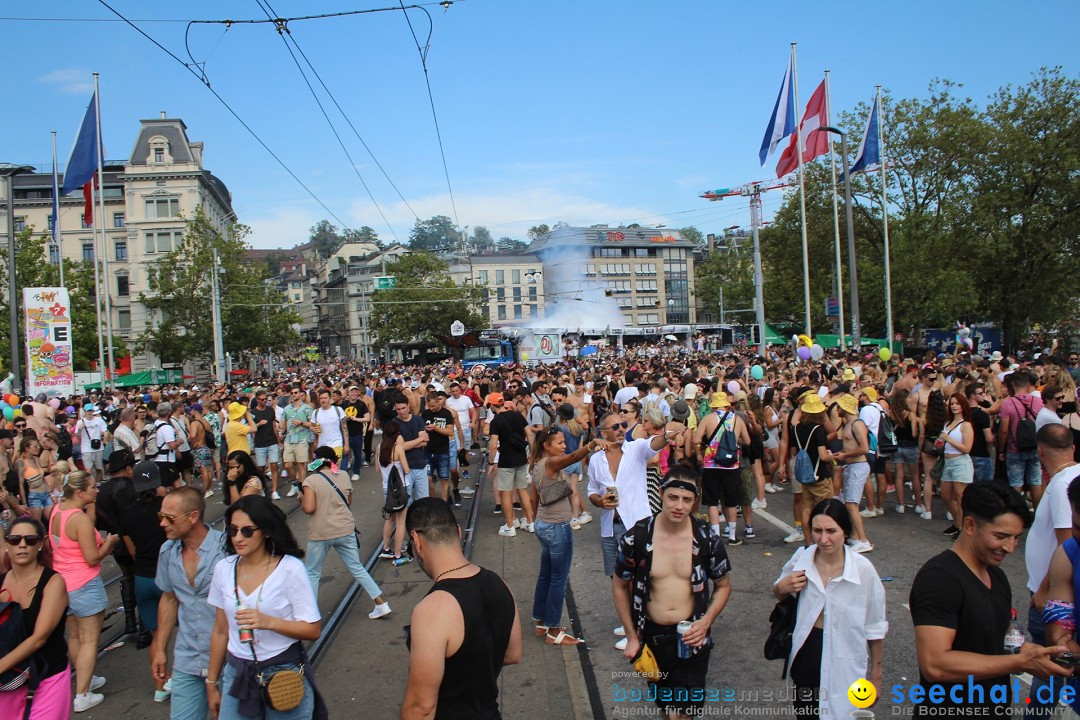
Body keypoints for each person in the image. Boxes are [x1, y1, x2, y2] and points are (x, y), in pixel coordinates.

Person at [910, 482, 1070, 716]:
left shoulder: (996, 575)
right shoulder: (939, 579)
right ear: (970, 525)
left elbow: (992, 644)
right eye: (1001, 536)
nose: (1010, 547)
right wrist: (1020, 662)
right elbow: (935, 664)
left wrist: (1033, 652)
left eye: (1016, 537)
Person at [614, 465, 732, 717]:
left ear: (694, 502)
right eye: (673, 497)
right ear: (661, 494)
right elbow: (619, 584)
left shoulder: (706, 539)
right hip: (653, 638)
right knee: (667, 708)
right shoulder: (638, 537)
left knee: (683, 712)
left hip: (692, 638)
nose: (679, 505)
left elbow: (723, 585)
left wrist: (707, 621)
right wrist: (631, 635)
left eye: (687, 500)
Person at [400, 498, 521, 720]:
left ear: (416, 541)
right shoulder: (499, 583)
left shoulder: (433, 609)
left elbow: (421, 708)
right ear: (457, 531)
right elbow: (513, 654)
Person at [206, 495, 325, 720]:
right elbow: (221, 630)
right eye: (232, 530)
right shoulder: (224, 569)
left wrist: (268, 621)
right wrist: (212, 683)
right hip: (237, 673)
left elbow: (313, 630)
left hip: (283, 674)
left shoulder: (290, 569)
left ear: (266, 531)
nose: (238, 538)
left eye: (247, 531)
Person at [773, 499, 887, 717]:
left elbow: (875, 627)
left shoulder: (863, 570)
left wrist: (876, 677)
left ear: (845, 531)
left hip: (847, 657)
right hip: (807, 653)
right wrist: (783, 587)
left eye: (831, 531)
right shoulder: (802, 558)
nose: (823, 539)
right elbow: (778, 592)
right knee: (807, 713)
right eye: (817, 531)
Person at [152, 486, 227, 720]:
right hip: (188, 658)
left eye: (169, 518)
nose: (163, 523)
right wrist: (160, 649)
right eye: (160, 517)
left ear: (193, 517)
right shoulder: (167, 551)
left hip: (228, 659)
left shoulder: (226, 548)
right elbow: (169, 597)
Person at [49, 470, 118, 712]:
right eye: (93, 488)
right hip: (84, 583)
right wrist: (108, 544)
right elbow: (92, 557)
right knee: (90, 639)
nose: (97, 490)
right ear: (80, 492)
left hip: (63, 584)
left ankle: (85, 678)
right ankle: (82, 695)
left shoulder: (57, 510)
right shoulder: (78, 520)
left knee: (76, 636)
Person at [527, 425, 604, 645]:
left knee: (547, 575)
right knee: (558, 579)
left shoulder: (536, 464)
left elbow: (534, 499)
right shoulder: (551, 463)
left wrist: (537, 521)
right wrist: (591, 444)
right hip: (557, 528)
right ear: (546, 446)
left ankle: (541, 622)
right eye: (559, 443)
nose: (564, 446)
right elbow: (572, 457)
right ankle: (553, 629)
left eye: (563, 442)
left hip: (544, 525)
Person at [1023, 423, 1080, 715]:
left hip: (1055, 595)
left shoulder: (1063, 485)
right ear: (1072, 447)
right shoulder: (1067, 477)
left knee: (1048, 668)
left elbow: (1067, 543)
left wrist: (1044, 590)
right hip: (1055, 590)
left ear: (1040, 451)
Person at [302, 446, 391, 617]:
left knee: (313, 573)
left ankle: (310, 614)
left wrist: (301, 498)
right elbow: (348, 501)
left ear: (317, 461)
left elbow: (309, 508)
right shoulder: (343, 475)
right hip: (345, 529)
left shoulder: (311, 481)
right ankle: (380, 603)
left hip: (320, 533)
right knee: (357, 568)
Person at [0, 517, 72, 720]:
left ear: (40, 544)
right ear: (7, 545)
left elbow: (39, 638)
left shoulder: (53, 582)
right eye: (15, 540)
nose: (22, 545)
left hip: (47, 675)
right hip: (8, 682)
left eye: (30, 540)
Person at [121, 461, 169, 702]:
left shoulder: (128, 512)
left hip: (142, 577)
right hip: (166, 578)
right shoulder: (165, 507)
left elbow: (131, 550)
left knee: (156, 635)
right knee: (177, 633)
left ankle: (159, 686)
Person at [694, 392, 753, 545]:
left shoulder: (708, 419)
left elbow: (696, 439)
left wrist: (700, 453)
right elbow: (747, 440)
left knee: (713, 501)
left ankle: (715, 536)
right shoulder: (737, 419)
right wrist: (734, 440)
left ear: (713, 405)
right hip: (731, 465)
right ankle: (732, 536)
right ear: (726, 404)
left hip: (711, 463)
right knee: (731, 501)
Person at [828, 394, 874, 553]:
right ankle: (855, 536)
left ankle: (863, 540)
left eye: (839, 407)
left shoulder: (857, 424)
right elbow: (850, 447)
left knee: (851, 504)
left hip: (858, 466)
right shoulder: (848, 424)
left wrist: (845, 456)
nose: (837, 410)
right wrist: (839, 454)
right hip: (851, 466)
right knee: (850, 503)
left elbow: (864, 448)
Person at [487, 398, 535, 537]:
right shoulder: (517, 415)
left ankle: (510, 526)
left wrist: (491, 462)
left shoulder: (495, 421)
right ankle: (530, 523)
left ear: (492, 405)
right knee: (522, 490)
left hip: (506, 460)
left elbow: (493, 445)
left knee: (506, 493)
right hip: (521, 458)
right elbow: (530, 434)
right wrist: (532, 452)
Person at [998, 371, 1046, 508]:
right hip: (1035, 446)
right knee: (1035, 482)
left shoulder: (1008, 404)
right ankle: (1037, 515)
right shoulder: (1038, 402)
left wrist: (1001, 449)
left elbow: (1004, 430)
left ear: (1012, 384)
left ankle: (1017, 514)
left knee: (1015, 483)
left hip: (1015, 447)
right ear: (1027, 384)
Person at [938, 393, 975, 537]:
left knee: (960, 497)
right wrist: (941, 443)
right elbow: (945, 442)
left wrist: (948, 439)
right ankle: (957, 523)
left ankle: (963, 529)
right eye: (952, 403)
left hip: (960, 462)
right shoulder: (947, 423)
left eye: (957, 404)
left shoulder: (966, 425)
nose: (954, 406)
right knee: (946, 496)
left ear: (963, 406)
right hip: (948, 461)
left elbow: (967, 448)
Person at [377, 421, 412, 564]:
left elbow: (377, 469)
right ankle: (398, 555)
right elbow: (407, 469)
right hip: (401, 488)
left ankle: (386, 548)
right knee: (400, 521)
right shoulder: (398, 448)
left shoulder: (380, 447)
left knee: (389, 519)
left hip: (386, 487)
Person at [422, 392, 458, 504]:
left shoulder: (446, 414)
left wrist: (435, 428)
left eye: (433, 405)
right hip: (428, 451)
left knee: (444, 479)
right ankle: (434, 503)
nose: (431, 408)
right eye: (429, 406)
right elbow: (420, 428)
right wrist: (425, 429)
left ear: (438, 402)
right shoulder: (425, 414)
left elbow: (450, 432)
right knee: (427, 478)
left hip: (442, 451)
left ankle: (444, 503)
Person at [392, 398, 430, 504]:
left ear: (409, 405)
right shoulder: (394, 423)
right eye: (398, 409)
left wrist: (407, 444)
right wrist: (419, 439)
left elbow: (425, 442)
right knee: (406, 502)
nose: (401, 411)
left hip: (420, 465)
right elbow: (400, 447)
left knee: (423, 500)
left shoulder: (418, 419)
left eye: (403, 408)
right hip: (404, 468)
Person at [281, 387, 314, 498]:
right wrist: (279, 428)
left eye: (296, 393)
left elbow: (312, 424)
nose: (293, 394)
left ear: (301, 394)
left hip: (302, 439)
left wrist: (301, 422)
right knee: (288, 465)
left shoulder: (307, 408)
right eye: (292, 393)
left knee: (301, 465)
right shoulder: (287, 408)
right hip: (289, 439)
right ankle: (295, 483)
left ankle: (302, 488)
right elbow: (282, 422)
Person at [249, 390, 282, 499]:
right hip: (260, 443)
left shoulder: (270, 411)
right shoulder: (252, 413)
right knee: (261, 468)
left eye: (266, 399)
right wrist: (258, 424)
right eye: (262, 399)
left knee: (274, 465)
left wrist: (278, 441)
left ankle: (274, 490)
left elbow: (273, 426)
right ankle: (262, 488)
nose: (265, 401)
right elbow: (251, 429)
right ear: (257, 400)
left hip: (272, 441)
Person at [341, 386, 369, 481]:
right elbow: (339, 417)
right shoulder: (343, 404)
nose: (353, 393)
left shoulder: (361, 404)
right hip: (346, 433)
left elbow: (367, 418)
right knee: (345, 453)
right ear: (348, 393)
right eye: (351, 392)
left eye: (355, 392)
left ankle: (356, 472)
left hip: (357, 433)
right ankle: (343, 472)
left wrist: (357, 419)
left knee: (357, 454)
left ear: (358, 393)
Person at [74, 405, 107, 484]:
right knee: (88, 470)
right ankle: (90, 485)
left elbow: (105, 430)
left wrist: (102, 437)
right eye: (88, 411)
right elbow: (78, 436)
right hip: (86, 448)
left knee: (99, 468)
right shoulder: (80, 422)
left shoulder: (99, 420)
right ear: (84, 412)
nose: (89, 413)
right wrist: (79, 429)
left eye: (91, 411)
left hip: (98, 447)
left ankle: (98, 483)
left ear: (93, 411)